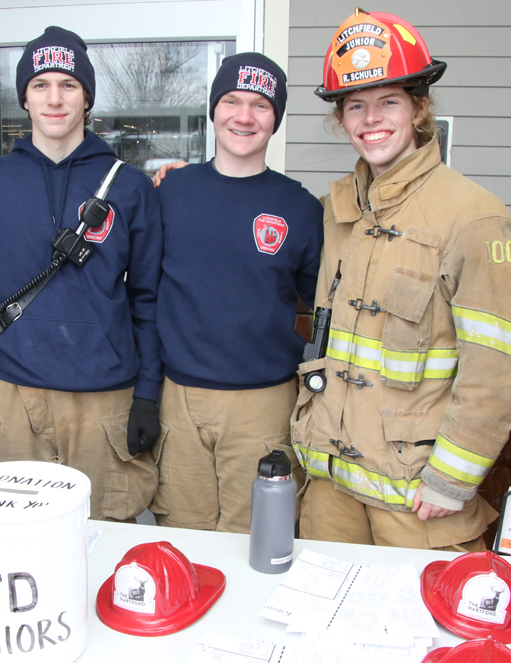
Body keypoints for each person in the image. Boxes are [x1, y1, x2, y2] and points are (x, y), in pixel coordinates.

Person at [291, 9, 511, 550]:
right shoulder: (339, 209)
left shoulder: (474, 217)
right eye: (355, 105)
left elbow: (498, 367)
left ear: (420, 107)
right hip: (331, 484)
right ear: (340, 118)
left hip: (417, 498)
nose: (370, 119)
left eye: (389, 101)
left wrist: (453, 478)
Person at [0, 26, 162, 522]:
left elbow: (149, 301)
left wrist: (147, 397)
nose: (55, 98)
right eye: (40, 84)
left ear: (86, 96)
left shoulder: (129, 188)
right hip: (12, 397)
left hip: (105, 400)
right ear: (23, 97)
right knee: (15, 538)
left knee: (105, 535)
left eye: (68, 84)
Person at [150, 53, 323, 533]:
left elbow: (324, 307)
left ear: (276, 119)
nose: (243, 116)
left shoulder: (301, 208)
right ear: (214, 109)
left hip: (262, 402)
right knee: (183, 533)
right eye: (231, 101)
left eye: (260, 105)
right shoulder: (170, 191)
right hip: (179, 400)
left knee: (257, 536)